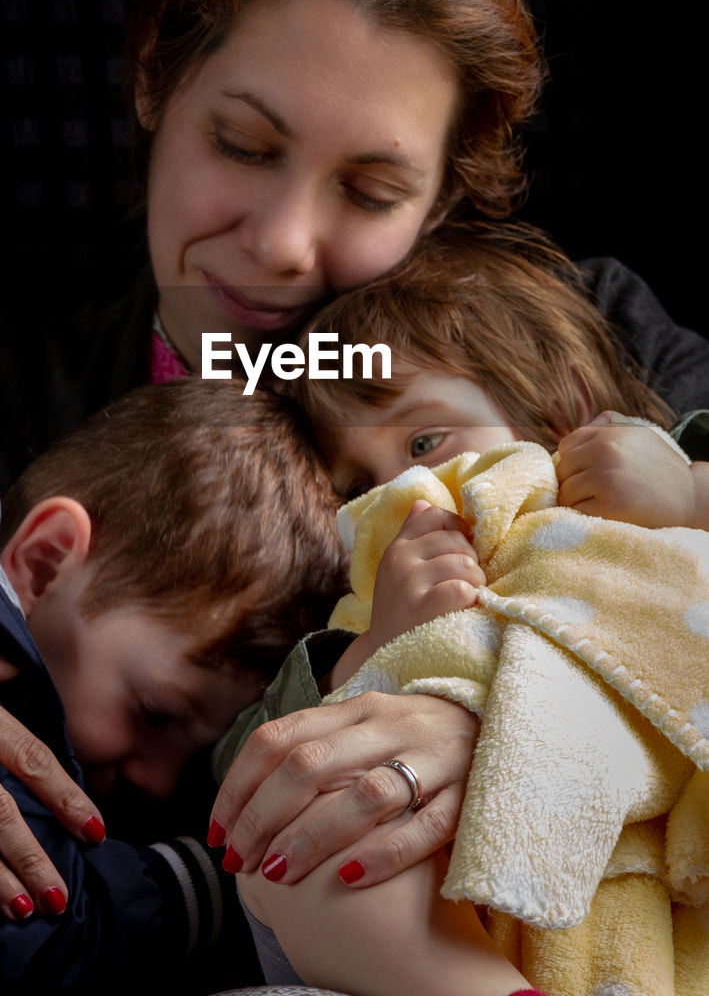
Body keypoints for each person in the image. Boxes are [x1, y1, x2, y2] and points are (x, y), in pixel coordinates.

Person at [0, 0, 706, 925]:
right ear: (156, 78)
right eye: (246, 145)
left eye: (369, 187)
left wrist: (515, 710)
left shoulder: (575, 337)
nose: (284, 244)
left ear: (443, 197)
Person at [219, 223, 707, 995]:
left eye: (423, 444)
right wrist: (370, 652)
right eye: (357, 484)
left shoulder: (653, 482)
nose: (398, 492)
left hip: (668, 830)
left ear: (559, 409)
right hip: (469, 925)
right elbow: (247, 765)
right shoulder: (372, 593)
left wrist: (689, 492)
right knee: (297, 839)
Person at [0, 376, 349, 991]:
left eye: (195, 754)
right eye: (156, 714)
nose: (161, 779)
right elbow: (42, 933)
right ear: (44, 562)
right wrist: (229, 878)